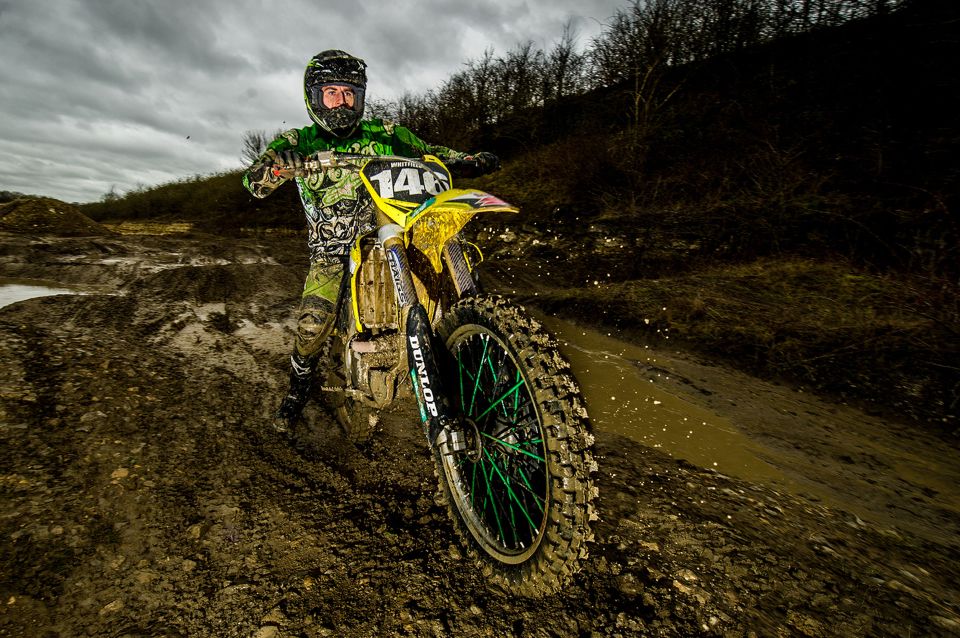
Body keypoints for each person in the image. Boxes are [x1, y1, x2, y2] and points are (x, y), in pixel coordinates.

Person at [242, 49, 500, 432]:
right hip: (333, 251)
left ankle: (481, 355)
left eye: (349, 93)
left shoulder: (387, 134)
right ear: (314, 98)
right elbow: (254, 182)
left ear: (360, 97)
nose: (341, 102)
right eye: (331, 93)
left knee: (443, 279)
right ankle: (297, 390)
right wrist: (282, 165)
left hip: (392, 233)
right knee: (312, 326)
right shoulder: (300, 139)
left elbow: (431, 153)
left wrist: (467, 159)